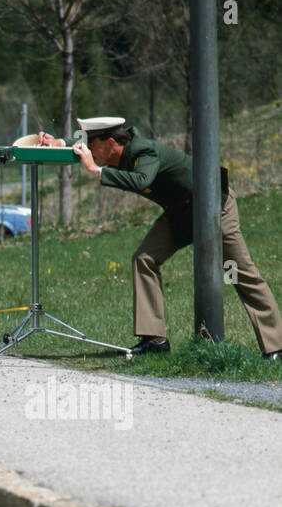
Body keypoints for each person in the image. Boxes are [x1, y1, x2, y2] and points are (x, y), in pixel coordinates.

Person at [37, 116, 282, 359]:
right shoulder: (113, 148)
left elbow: (143, 179)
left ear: (110, 142)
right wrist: (57, 143)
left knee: (236, 273)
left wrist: (95, 171)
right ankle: (155, 341)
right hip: (182, 213)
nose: (87, 152)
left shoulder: (144, 152)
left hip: (215, 208)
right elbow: (78, 142)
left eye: (91, 147)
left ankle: (276, 346)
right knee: (144, 259)